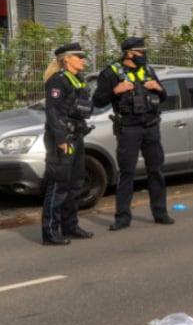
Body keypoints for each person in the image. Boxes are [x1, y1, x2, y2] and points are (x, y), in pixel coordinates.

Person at [92, 36, 174, 230]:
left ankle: (160, 213)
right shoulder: (111, 73)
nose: (144, 56)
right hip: (129, 129)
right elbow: (97, 101)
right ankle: (122, 217)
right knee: (127, 173)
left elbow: (163, 97)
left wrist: (159, 88)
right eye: (140, 53)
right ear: (128, 54)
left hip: (151, 127)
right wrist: (115, 90)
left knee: (156, 171)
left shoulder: (148, 70)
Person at [41, 42, 95, 245]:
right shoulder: (58, 81)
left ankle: (70, 226)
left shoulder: (78, 80)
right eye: (79, 57)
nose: (83, 60)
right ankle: (50, 232)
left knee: (76, 184)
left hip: (77, 136)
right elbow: (52, 112)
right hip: (62, 139)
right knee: (59, 185)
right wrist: (61, 139)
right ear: (67, 59)